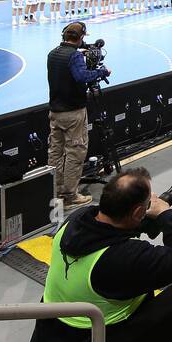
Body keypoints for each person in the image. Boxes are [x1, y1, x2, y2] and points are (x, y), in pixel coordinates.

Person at [28, 168, 172, 342]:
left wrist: (141, 219)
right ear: (136, 213)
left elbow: (111, 230)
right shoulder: (124, 257)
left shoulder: (77, 220)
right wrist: (165, 215)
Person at [46, 21, 111, 207]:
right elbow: (81, 77)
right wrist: (101, 71)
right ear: (81, 37)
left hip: (55, 112)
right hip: (73, 112)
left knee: (55, 153)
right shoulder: (74, 57)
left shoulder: (53, 54)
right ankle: (69, 195)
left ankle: (55, 190)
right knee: (75, 152)